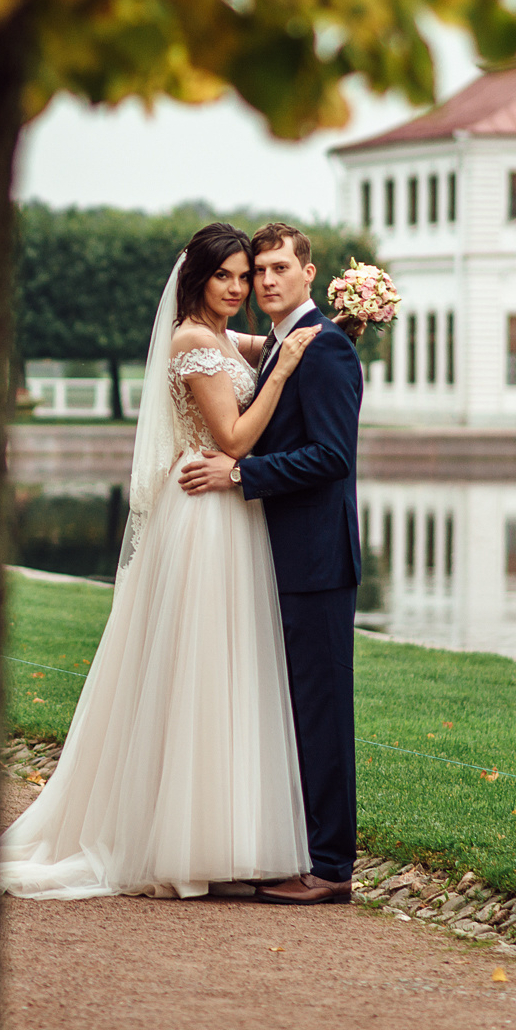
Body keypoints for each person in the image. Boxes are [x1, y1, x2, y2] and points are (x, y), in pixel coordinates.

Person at [0, 222, 318, 899]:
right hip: (204, 514)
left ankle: (221, 834)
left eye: (244, 276)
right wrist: (283, 373)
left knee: (228, 667)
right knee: (197, 668)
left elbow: (291, 333)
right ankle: (181, 841)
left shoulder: (227, 337)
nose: (238, 288)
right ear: (196, 278)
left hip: (230, 513)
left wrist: (344, 314)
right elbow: (230, 436)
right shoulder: (193, 343)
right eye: (224, 276)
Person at [180, 222, 364, 904]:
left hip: (316, 562)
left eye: (279, 267)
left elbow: (331, 459)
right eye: (256, 270)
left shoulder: (326, 350)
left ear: (308, 273)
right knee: (288, 716)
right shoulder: (281, 343)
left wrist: (239, 475)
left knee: (321, 716)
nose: (264, 280)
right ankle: (294, 851)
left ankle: (331, 869)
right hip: (275, 558)